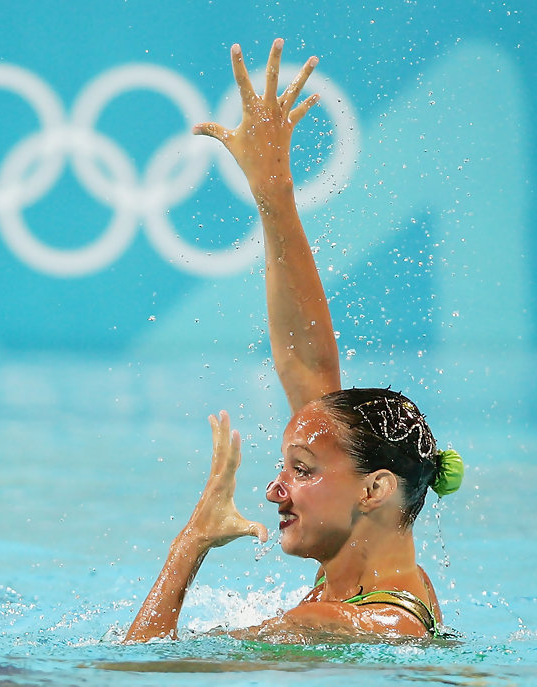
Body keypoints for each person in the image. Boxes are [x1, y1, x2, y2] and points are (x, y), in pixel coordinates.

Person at [125, 39, 464, 642]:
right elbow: (307, 361)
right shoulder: (382, 586)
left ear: (374, 489)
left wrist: (193, 539)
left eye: (301, 470)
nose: (275, 490)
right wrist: (274, 194)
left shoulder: (334, 623)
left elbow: (130, 669)